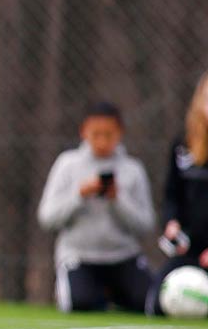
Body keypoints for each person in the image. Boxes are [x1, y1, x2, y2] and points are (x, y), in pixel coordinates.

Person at [36, 100, 157, 314]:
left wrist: (117, 200)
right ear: (84, 132)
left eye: (108, 135)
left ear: (120, 133)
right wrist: (79, 196)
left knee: (151, 303)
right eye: (96, 134)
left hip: (123, 257)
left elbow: (146, 224)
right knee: (80, 304)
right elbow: (47, 218)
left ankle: (115, 294)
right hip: (79, 257)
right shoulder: (67, 165)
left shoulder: (132, 169)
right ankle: (91, 293)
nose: (102, 141)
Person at [159, 71, 208, 280]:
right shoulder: (183, 146)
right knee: (157, 299)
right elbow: (171, 194)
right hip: (189, 249)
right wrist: (171, 223)